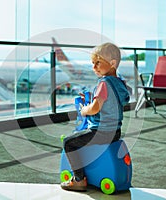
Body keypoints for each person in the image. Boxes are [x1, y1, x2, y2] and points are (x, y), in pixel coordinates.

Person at [61, 42, 130, 191]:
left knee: (68, 142)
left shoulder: (104, 83)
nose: (94, 67)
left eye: (98, 63)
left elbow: (94, 109)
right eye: (93, 63)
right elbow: (112, 103)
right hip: (115, 132)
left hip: (101, 132)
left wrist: (85, 110)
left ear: (112, 63)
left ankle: (78, 179)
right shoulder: (120, 84)